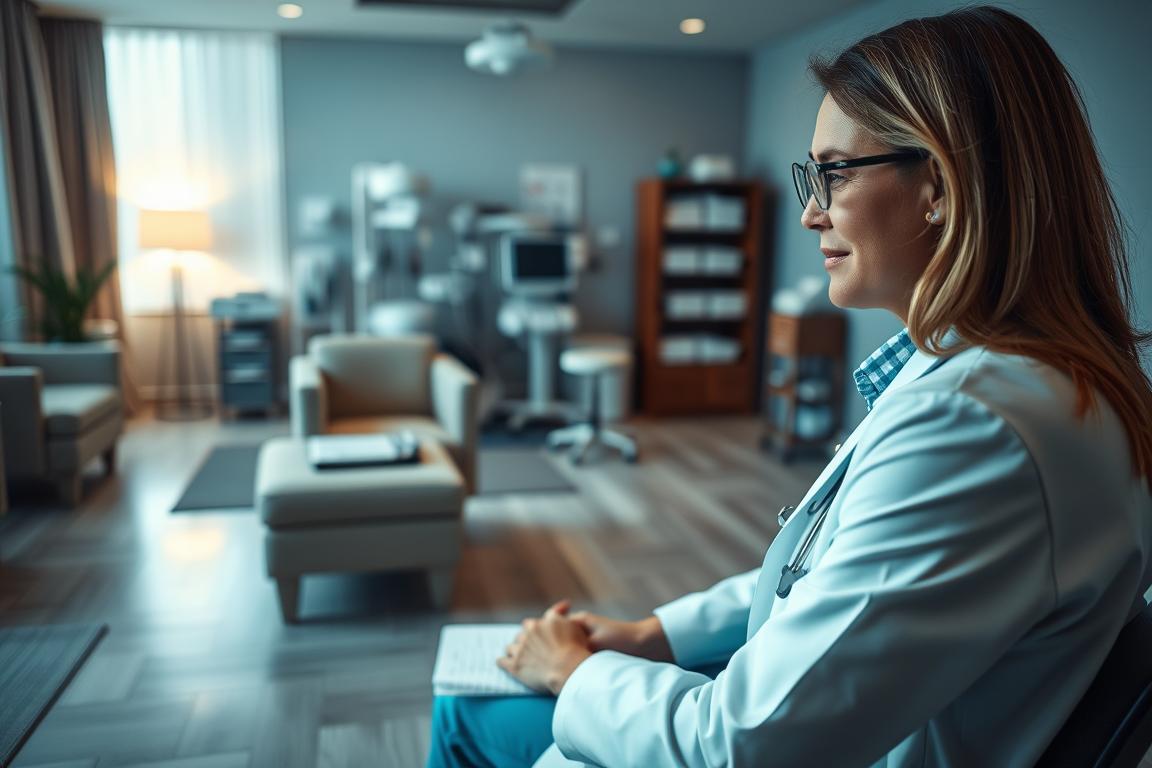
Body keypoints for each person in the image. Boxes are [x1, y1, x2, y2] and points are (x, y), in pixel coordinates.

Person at [426, 6, 1152, 766]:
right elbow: (838, 578)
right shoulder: (1051, 388)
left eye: (834, 174)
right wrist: (656, 636)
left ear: (939, 183)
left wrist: (572, 671)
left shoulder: (972, 427)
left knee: (465, 711)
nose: (810, 212)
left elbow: (735, 747)